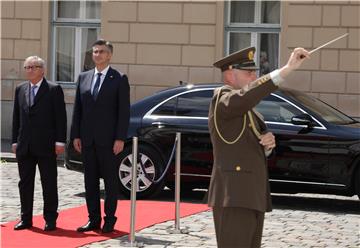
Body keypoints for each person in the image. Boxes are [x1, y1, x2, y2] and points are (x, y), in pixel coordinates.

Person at [208, 46, 310, 247]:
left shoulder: (248, 111)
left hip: (251, 195)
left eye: (255, 72)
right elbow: (248, 95)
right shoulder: (223, 99)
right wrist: (287, 69)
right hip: (233, 195)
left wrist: (267, 144)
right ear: (230, 75)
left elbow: (248, 144)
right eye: (248, 73)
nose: (254, 76)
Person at [71, 39, 130, 233]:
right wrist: (76, 135)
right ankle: (93, 219)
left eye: (101, 52)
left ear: (110, 55)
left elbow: (123, 112)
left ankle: (110, 220)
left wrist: (120, 138)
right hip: (87, 140)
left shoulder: (119, 78)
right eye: (95, 52)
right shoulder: (84, 77)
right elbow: (78, 109)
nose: (97, 55)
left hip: (109, 141)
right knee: (90, 182)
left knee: (111, 183)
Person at [12, 56, 67, 231]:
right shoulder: (20, 89)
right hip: (25, 145)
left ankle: (50, 219)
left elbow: (61, 118)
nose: (30, 70)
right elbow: (16, 118)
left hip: (47, 145)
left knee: (49, 183)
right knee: (25, 183)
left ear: (42, 70)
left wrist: (60, 142)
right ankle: (25, 218)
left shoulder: (53, 89)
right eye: (27, 67)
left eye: (33, 67)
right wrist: (14, 141)